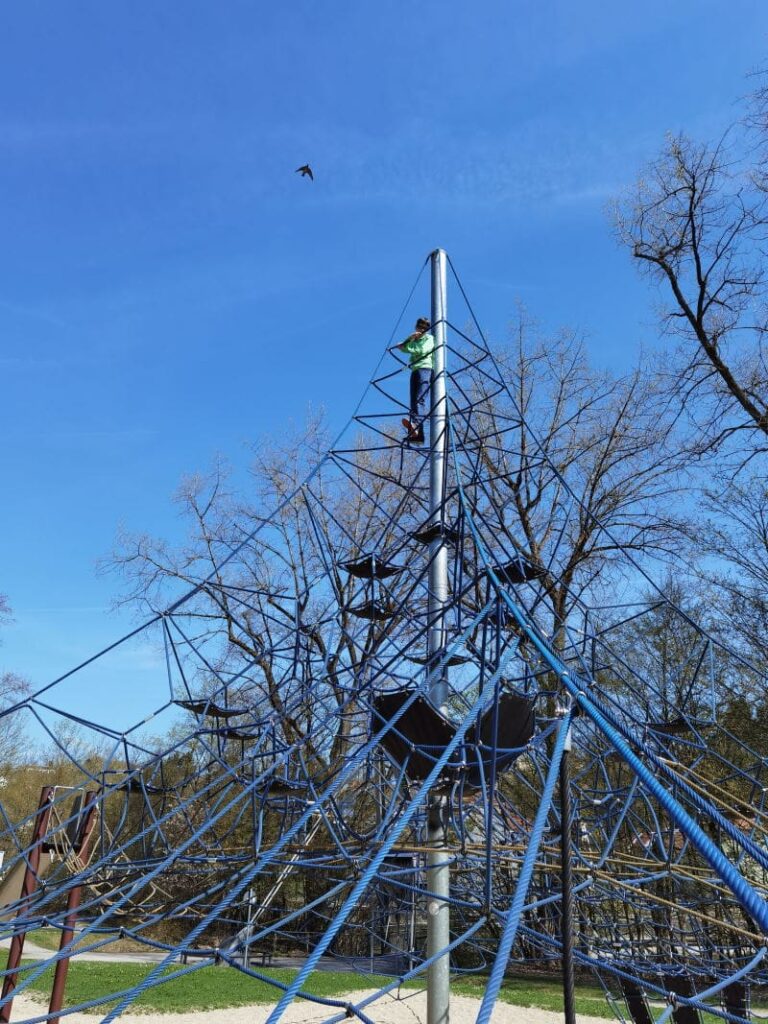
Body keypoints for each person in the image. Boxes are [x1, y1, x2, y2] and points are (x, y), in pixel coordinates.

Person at [397, 317, 434, 444]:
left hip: (425, 369)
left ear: (427, 330)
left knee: (420, 398)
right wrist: (410, 338)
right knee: (414, 402)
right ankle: (418, 436)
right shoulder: (415, 340)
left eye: (424, 328)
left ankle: (416, 425)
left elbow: (422, 350)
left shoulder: (429, 339)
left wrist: (411, 344)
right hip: (415, 370)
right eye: (419, 327)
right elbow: (402, 347)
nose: (421, 330)